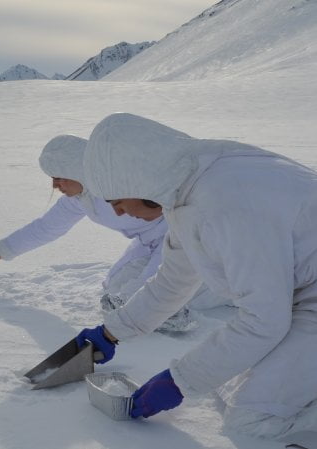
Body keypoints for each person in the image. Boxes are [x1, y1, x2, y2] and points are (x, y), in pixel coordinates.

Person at [77, 112, 317, 440]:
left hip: (306, 300)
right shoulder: (190, 185)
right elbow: (172, 281)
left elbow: (264, 320)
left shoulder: (226, 202)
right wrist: (112, 331)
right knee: (228, 389)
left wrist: (180, 380)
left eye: (117, 201)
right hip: (303, 293)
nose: (118, 213)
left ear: (138, 181)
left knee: (251, 421)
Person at [0, 134, 193, 331]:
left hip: (183, 238)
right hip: (148, 245)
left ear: (75, 170)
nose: (55, 186)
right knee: (114, 291)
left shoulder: (120, 181)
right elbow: (45, 228)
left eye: (58, 177)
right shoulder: (79, 199)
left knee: (145, 297)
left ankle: (190, 306)